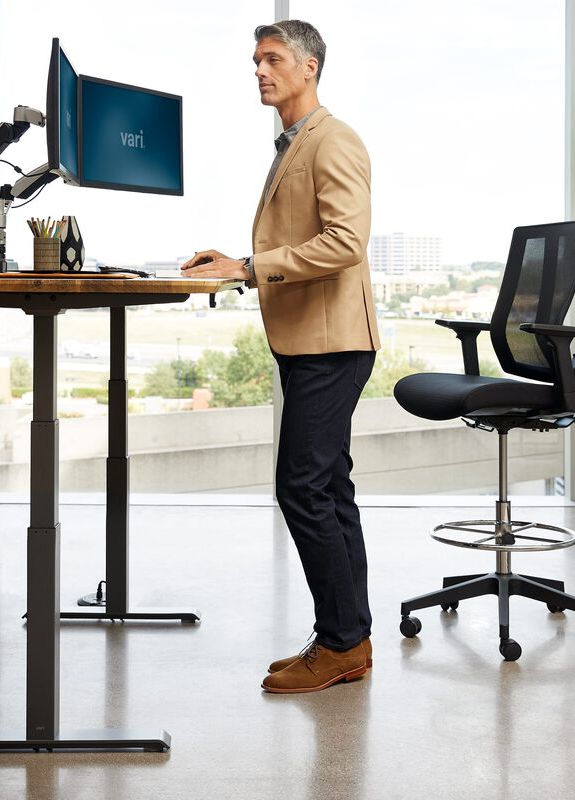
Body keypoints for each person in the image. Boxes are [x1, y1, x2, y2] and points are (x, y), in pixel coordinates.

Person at [182, 19, 381, 693]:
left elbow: (345, 243)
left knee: (301, 487)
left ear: (310, 68)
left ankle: (342, 643)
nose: (260, 70)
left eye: (274, 59)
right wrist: (238, 265)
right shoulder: (294, 142)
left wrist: (246, 267)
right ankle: (348, 638)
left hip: (333, 342)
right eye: (257, 60)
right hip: (314, 340)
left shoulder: (334, 139)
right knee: (329, 487)